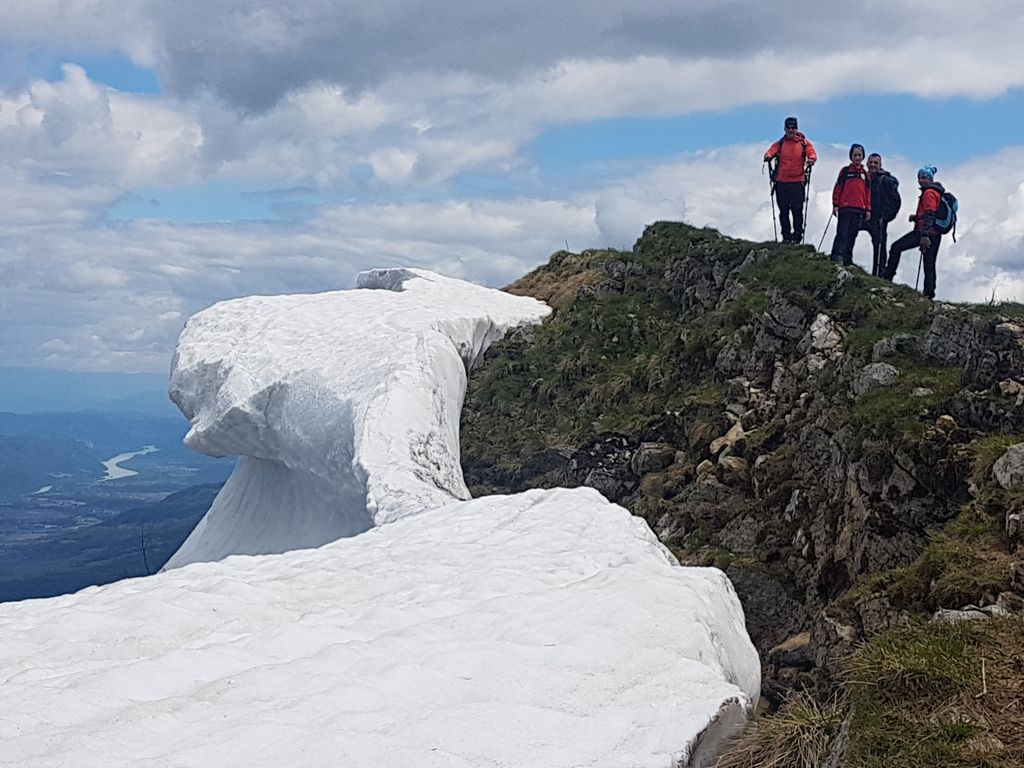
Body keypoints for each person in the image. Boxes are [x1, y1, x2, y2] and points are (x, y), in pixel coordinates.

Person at [884, 165, 943, 299]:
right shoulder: (936, 192)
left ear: (930, 179)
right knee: (929, 263)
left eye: (923, 177)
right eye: (919, 177)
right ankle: (929, 292)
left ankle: (887, 277)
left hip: (924, 232)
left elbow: (930, 213)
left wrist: (924, 235)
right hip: (936, 233)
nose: (920, 180)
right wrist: (916, 217)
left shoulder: (929, 193)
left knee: (896, 247)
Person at [764, 117, 817, 243]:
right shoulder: (780, 143)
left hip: (797, 181)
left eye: (793, 128)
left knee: (797, 210)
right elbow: (771, 150)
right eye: (789, 128)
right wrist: (768, 155)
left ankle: (797, 236)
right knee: (784, 211)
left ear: (796, 128)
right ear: (785, 129)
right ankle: (786, 236)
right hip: (781, 181)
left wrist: (812, 159)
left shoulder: (804, 143)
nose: (791, 130)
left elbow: (812, 152)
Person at [829, 143, 871, 266]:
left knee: (853, 234)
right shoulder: (845, 171)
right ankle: (836, 255)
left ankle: (847, 258)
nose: (857, 158)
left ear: (863, 157)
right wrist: (835, 204)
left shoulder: (865, 174)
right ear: (851, 156)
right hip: (845, 207)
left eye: (859, 155)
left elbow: (868, 193)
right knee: (842, 233)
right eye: (855, 155)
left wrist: (868, 209)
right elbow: (838, 188)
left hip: (859, 209)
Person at [862, 153, 901, 277]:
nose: (873, 165)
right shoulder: (863, 178)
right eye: (871, 163)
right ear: (867, 164)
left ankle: (879, 274)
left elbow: (896, 201)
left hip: (879, 218)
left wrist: (885, 217)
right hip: (864, 215)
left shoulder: (885, 180)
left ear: (880, 165)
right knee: (849, 235)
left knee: (879, 247)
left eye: (875, 163)